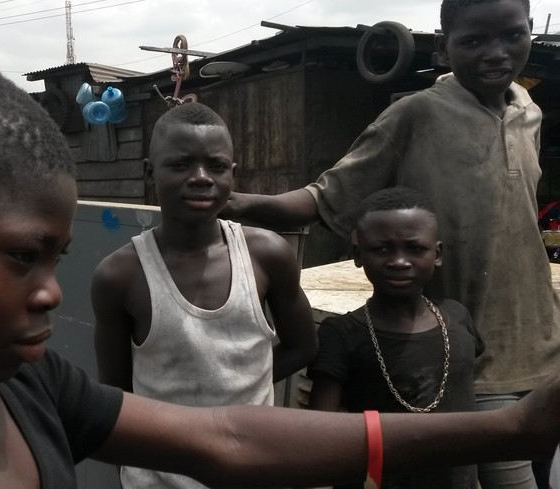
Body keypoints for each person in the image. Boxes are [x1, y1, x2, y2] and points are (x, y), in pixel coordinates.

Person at [0, 59, 560, 489]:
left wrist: (512, 430)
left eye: (55, 258)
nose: (50, 290)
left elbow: (226, 436)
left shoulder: (13, 382)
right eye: (22, 256)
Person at [222, 1, 560, 487]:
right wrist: (235, 202)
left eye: (512, 35)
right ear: (443, 48)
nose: (496, 52)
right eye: (474, 40)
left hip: (543, 345)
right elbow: (324, 196)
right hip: (470, 355)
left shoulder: (529, 111)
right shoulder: (416, 114)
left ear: (530, 31)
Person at [92, 103, 317, 488]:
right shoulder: (120, 275)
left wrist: (238, 391)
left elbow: (303, 346)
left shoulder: (267, 255)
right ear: (150, 172)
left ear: (233, 174)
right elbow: (116, 392)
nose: (200, 178)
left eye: (216, 166)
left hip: (252, 473)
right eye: (180, 165)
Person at [308, 187, 484, 489]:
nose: (399, 261)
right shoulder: (341, 334)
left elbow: (468, 393)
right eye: (382, 249)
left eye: (415, 249)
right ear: (358, 255)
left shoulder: (457, 318)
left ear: (437, 254)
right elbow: (319, 435)